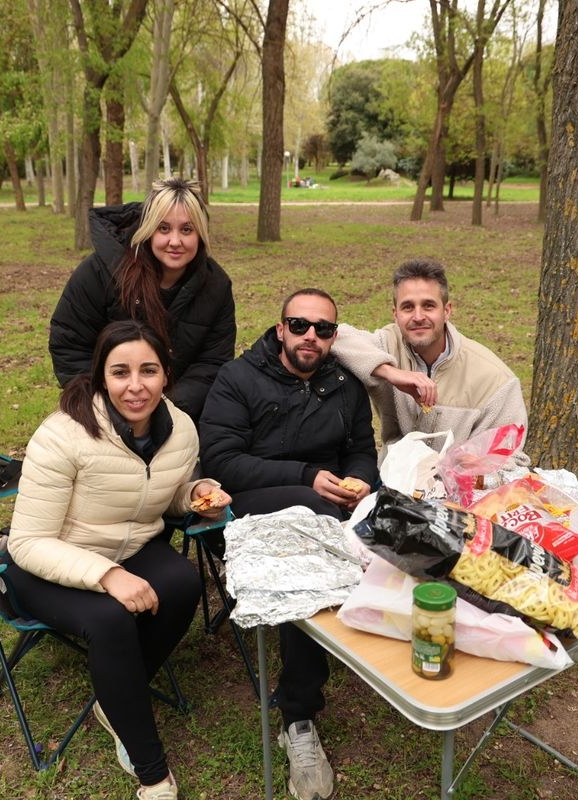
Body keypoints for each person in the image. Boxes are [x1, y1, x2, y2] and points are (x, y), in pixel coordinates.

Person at [5, 320, 232, 800]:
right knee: (111, 621)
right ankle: (153, 774)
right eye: (120, 372)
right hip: (47, 562)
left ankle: (115, 698)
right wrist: (107, 575)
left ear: (166, 375)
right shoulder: (63, 435)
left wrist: (197, 493)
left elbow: (167, 495)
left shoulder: (180, 429)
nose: (136, 386)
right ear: (101, 377)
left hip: (130, 547)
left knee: (183, 584)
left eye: (148, 370)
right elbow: (28, 541)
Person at [198, 288, 378, 800]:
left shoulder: (344, 384)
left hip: (332, 505)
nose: (310, 336)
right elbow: (222, 461)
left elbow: (362, 451)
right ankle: (298, 716)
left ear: (333, 337)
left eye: (323, 329)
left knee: (397, 516)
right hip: (249, 507)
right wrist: (306, 477)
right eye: (299, 325)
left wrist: (361, 480)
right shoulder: (238, 378)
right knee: (312, 524)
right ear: (280, 329)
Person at [49, 178, 236, 423]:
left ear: (200, 234)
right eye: (164, 228)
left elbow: (213, 362)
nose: (175, 241)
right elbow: (70, 346)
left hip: (179, 413)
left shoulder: (216, 285)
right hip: (105, 407)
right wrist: (107, 405)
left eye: (187, 230)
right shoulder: (100, 271)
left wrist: (166, 410)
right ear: (148, 230)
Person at [331, 258, 531, 468]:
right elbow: (334, 337)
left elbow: (513, 459)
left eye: (428, 306)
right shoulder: (387, 345)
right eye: (408, 307)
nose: (418, 317)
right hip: (393, 481)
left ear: (447, 311)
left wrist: (477, 466)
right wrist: (390, 372)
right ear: (395, 314)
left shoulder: (495, 378)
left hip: (460, 486)